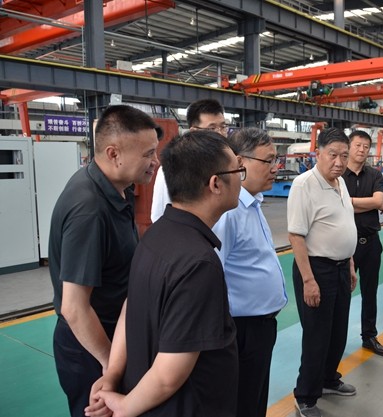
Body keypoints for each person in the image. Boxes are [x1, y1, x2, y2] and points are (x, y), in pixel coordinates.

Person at [86, 130, 242, 417]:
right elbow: (169, 374)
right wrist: (123, 407)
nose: (242, 179)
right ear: (215, 184)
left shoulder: (155, 236)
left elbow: (130, 307)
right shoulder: (199, 263)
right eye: (238, 171)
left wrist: (113, 374)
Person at [48, 104, 161, 417]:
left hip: (114, 334)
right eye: (148, 154)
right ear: (114, 154)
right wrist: (112, 367)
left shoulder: (116, 189)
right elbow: (74, 307)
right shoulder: (89, 209)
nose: (155, 161)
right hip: (92, 346)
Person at [212, 128, 288, 417]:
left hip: (260, 327)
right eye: (268, 160)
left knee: (255, 400)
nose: (275, 168)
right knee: (243, 404)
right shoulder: (229, 212)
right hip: (240, 331)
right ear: (240, 162)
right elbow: (213, 275)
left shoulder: (252, 203)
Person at [288, 127, 358, 417]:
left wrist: (350, 264)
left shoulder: (340, 183)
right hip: (316, 269)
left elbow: (345, 224)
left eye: (344, 156)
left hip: (341, 268)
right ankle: (305, 395)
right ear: (318, 153)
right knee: (317, 336)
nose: (339, 162)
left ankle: (328, 379)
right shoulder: (304, 184)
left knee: (338, 331)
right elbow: (296, 235)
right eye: (333, 155)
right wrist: (308, 280)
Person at [342, 130, 383, 357]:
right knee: (342, 295)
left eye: (366, 146)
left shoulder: (375, 174)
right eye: (357, 145)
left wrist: (349, 203)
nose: (362, 150)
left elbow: (378, 200)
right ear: (349, 147)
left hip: (371, 243)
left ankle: (369, 336)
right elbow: (337, 205)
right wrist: (373, 204)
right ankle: (337, 340)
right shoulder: (339, 175)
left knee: (370, 293)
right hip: (346, 246)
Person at [151, 98, 228, 222]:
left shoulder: (228, 164)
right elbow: (159, 216)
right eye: (212, 129)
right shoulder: (174, 167)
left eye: (223, 127)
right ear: (194, 131)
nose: (220, 134)